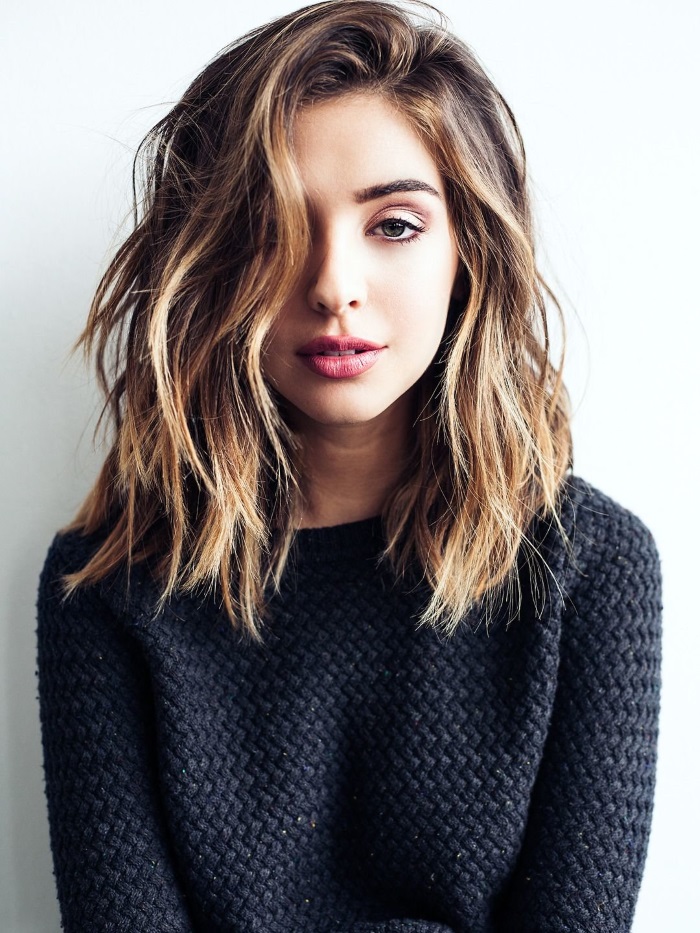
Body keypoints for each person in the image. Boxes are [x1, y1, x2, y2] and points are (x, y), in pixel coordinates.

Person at [36, 1, 662, 931]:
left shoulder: (591, 568)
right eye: (274, 225)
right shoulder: (107, 585)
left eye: (396, 225)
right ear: (209, 262)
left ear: (469, 254)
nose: (333, 282)